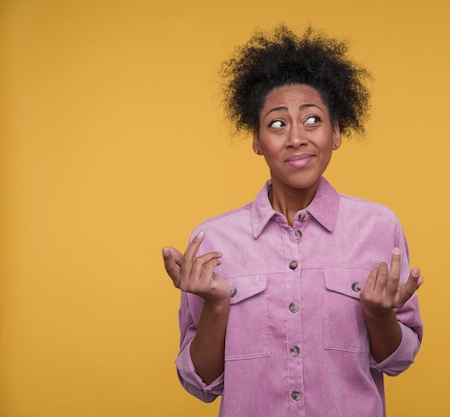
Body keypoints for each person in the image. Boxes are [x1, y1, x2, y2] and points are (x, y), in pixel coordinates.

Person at [162, 25, 424, 417]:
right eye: (278, 124)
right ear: (257, 140)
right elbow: (201, 384)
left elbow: (398, 361)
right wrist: (216, 306)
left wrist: (378, 314)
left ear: (336, 133)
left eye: (313, 120)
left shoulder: (378, 227)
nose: (296, 138)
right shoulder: (213, 240)